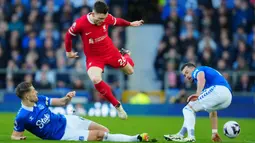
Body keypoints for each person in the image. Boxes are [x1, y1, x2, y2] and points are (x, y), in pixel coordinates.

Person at [65, 0, 143, 120]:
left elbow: (117, 21)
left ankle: (125, 55)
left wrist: (130, 24)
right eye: (100, 18)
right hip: (94, 57)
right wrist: (68, 51)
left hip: (110, 52)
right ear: (93, 13)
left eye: (104, 18)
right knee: (95, 79)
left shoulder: (107, 18)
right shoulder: (81, 23)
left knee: (130, 71)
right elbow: (68, 35)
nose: (102, 21)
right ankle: (117, 105)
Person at [11, 81, 150, 142]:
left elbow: (61, 102)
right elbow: (15, 135)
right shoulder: (22, 116)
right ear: (27, 96)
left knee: (105, 131)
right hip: (63, 134)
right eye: (33, 91)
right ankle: (135, 139)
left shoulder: (39, 99)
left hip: (66, 120)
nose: (36, 92)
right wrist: (18, 138)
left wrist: (67, 98)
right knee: (100, 136)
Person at [164, 63, 232, 142]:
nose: (187, 76)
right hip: (227, 98)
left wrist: (198, 94)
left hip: (219, 90)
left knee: (187, 109)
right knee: (190, 109)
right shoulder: (208, 84)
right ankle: (180, 135)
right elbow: (213, 112)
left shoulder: (198, 70)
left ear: (192, 68)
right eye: (184, 75)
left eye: (187, 72)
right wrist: (214, 132)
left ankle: (190, 136)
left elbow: (201, 77)